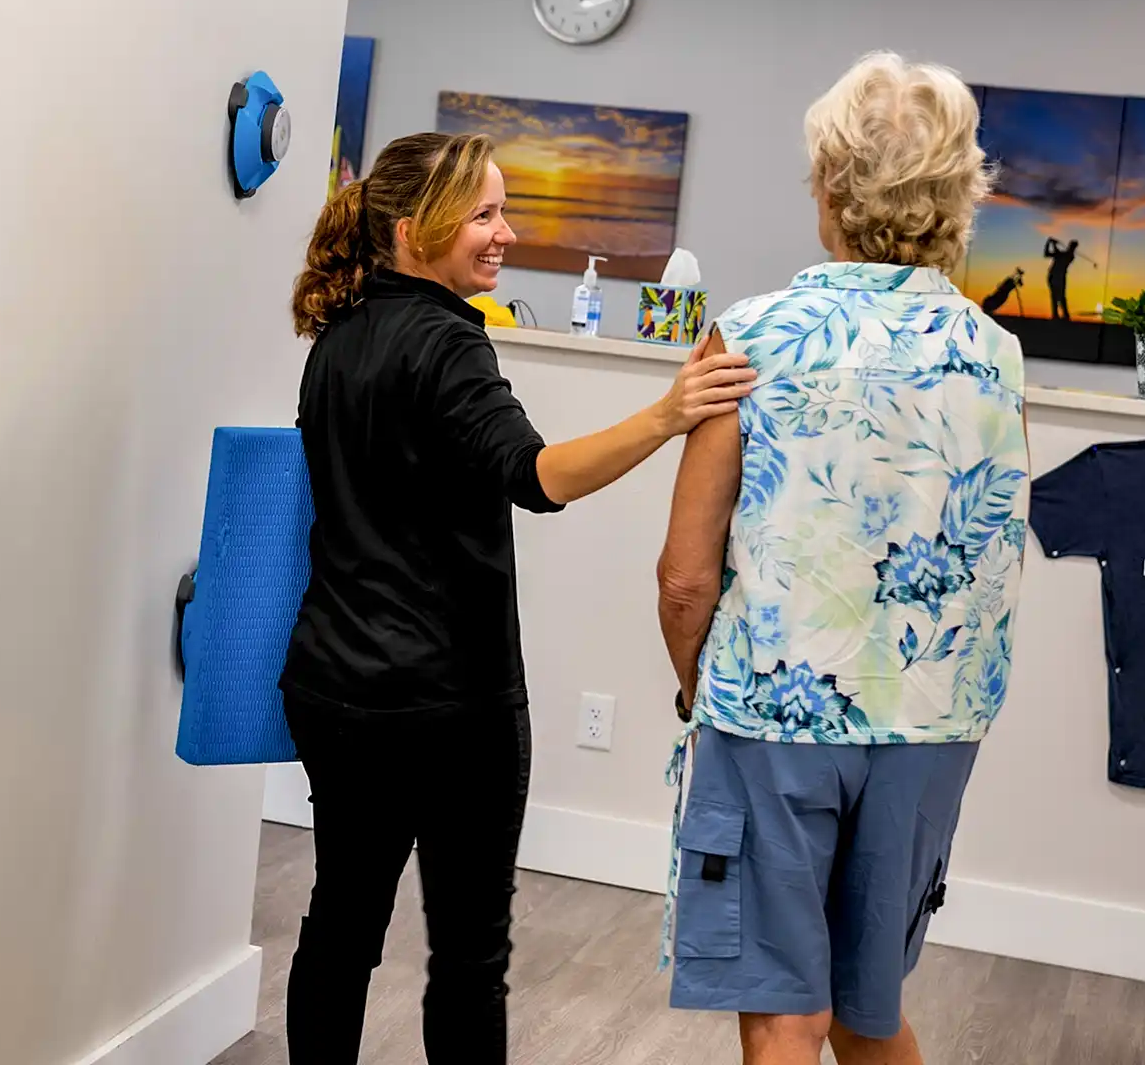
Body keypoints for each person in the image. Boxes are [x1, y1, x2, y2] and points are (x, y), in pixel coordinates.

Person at [281, 130, 755, 1065]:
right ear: (415, 231)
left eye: (505, 210)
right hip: (447, 707)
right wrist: (669, 413)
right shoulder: (449, 344)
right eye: (485, 215)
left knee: (340, 926)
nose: (505, 233)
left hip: (334, 686)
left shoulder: (339, 335)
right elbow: (538, 476)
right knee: (467, 958)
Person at [655, 53, 1030, 1065]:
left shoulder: (756, 337)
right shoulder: (993, 353)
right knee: (868, 1006)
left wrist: (700, 685)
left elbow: (686, 572)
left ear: (831, 185)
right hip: (932, 721)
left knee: (784, 1011)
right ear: (956, 197)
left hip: (772, 709)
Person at [1044, 237, 1079, 321]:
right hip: (1053, 276)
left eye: (1072, 246)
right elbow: (1046, 254)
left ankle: (1064, 315)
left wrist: (1052, 243)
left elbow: (1057, 254)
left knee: (1061, 297)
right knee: (1054, 296)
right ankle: (1056, 315)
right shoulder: (1065, 254)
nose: (1071, 248)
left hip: (1059, 277)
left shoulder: (1069, 256)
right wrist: (1049, 243)